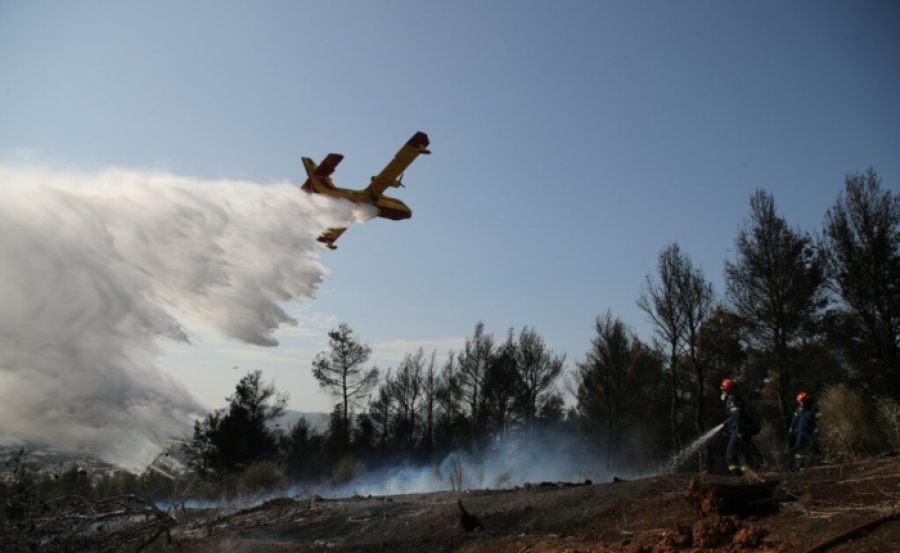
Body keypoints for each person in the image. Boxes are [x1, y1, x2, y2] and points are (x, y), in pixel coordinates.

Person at [720, 378, 752, 477]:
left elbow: (738, 415)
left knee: (730, 456)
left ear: (727, 390)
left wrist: (739, 430)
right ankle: (747, 477)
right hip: (741, 429)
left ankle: (738, 478)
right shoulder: (738, 399)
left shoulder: (732, 400)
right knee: (740, 455)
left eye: (724, 390)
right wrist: (728, 421)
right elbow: (737, 415)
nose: (723, 392)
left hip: (738, 430)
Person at [788, 391, 821, 470]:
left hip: (810, 432)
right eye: (800, 401)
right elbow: (794, 420)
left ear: (806, 400)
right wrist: (791, 428)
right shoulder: (798, 410)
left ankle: (818, 461)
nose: (801, 403)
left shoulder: (814, 409)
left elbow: (819, 420)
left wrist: (817, 428)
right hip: (800, 432)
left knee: (813, 446)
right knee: (799, 448)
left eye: (802, 401)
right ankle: (799, 464)